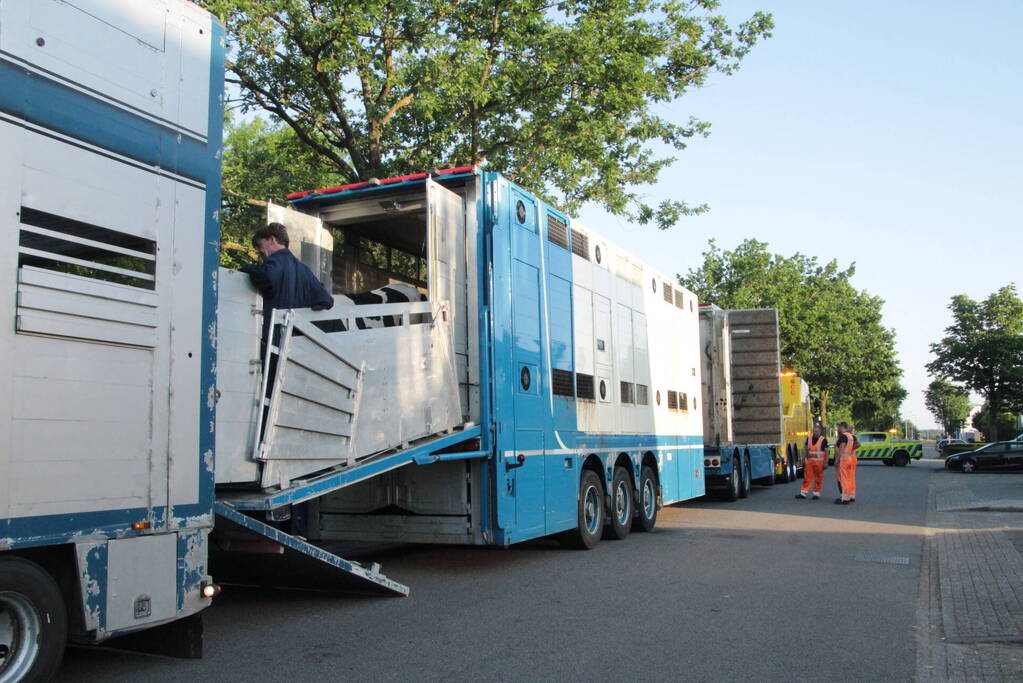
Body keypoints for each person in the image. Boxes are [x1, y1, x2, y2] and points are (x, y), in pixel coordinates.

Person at [240, 223, 334, 345]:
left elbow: (267, 277)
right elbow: (326, 300)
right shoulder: (305, 270)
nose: (259, 251)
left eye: (259, 245)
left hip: (273, 344)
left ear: (272, 240)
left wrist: (248, 269)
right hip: (297, 346)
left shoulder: (272, 265)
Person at [795, 424, 828, 500]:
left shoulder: (823, 440)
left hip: (819, 462)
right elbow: (806, 449)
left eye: (817, 431)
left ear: (820, 432)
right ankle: (803, 493)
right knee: (807, 477)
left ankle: (816, 494)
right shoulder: (809, 438)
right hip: (810, 462)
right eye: (814, 431)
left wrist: (826, 462)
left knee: (819, 478)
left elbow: (826, 451)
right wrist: (804, 459)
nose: (815, 433)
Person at [834, 422, 859, 504]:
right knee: (850, 478)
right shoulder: (851, 436)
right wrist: (851, 450)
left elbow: (841, 447)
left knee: (844, 478)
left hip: (844, 459)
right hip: (850, 458)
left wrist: (837, 459)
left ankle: (845, 498)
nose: (838, 429)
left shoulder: (843, 436)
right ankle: (851, 495)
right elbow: (858, 445)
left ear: (842, 427)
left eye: (839, 427)